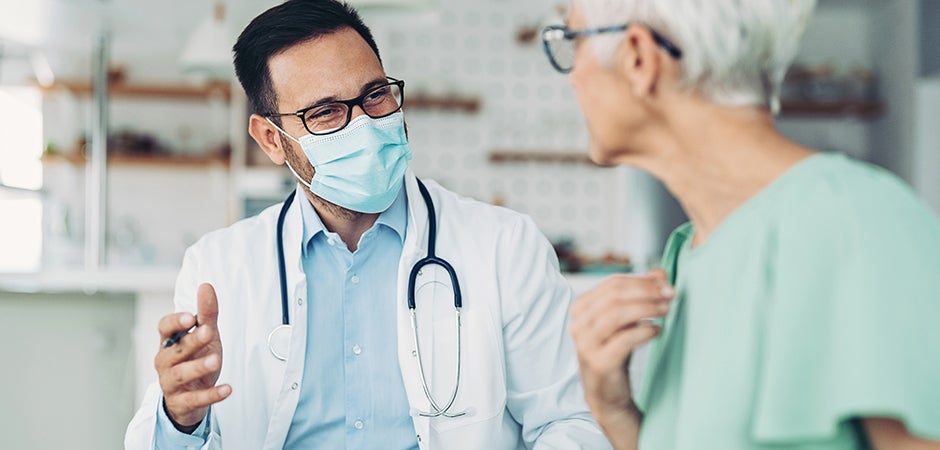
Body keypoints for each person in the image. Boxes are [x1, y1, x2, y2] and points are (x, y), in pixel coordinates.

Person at [124, 1, 610, 449]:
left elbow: (568, 422)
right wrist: (180, 418)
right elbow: (157, 436)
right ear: (271, 140)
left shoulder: (505, 246)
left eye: (375, 95)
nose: (366, 124)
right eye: (326, 112)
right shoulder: (218, 265)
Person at [541, 0, 940, 449]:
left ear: (638, 57)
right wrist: (614, 410)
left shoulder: (860, 220)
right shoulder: (685, 255)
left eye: (572, 44)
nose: (572, 76)